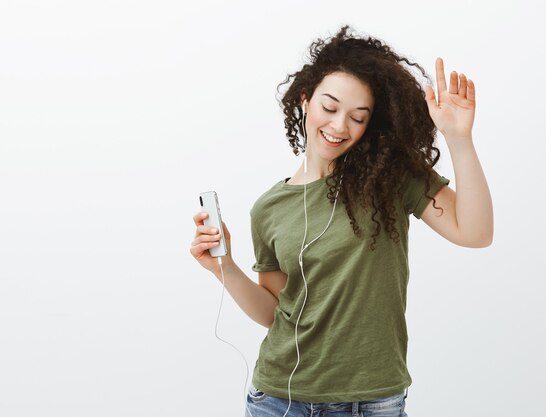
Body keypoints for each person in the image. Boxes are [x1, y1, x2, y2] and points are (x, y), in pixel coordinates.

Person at [190, 25, 493, 417]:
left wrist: (459, 139)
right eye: (329, 108)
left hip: (371, 402)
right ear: (305, 100)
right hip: (281, 401)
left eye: (357, 117)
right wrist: (223, 266)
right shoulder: (269, 208)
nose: (338, 127)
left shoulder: (391, 178)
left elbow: (476, 232)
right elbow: (274, 312)